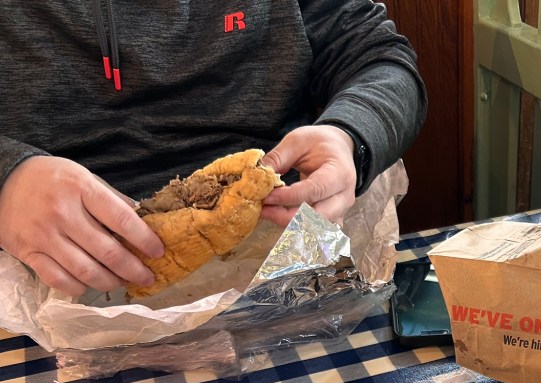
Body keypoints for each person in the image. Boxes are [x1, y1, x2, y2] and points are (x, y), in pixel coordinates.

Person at [0, 1, 427, 297]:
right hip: (47, 291)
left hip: (289, 282)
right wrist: (7, 178)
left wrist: (347, 134)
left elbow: (379, 60)